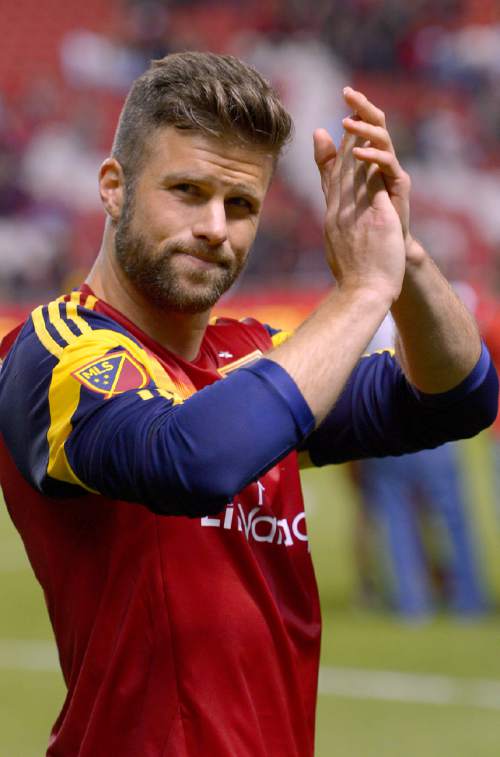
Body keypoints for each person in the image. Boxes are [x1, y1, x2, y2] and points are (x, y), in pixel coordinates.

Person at [0, 52, 496, 757]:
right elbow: (188, 458)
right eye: (187, 190)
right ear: (113, 187)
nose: (215, 227)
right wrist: (359, 293)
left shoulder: (251, 351)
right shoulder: (53, 348)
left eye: (241, 205)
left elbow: (454, 400)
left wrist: (403, 257)